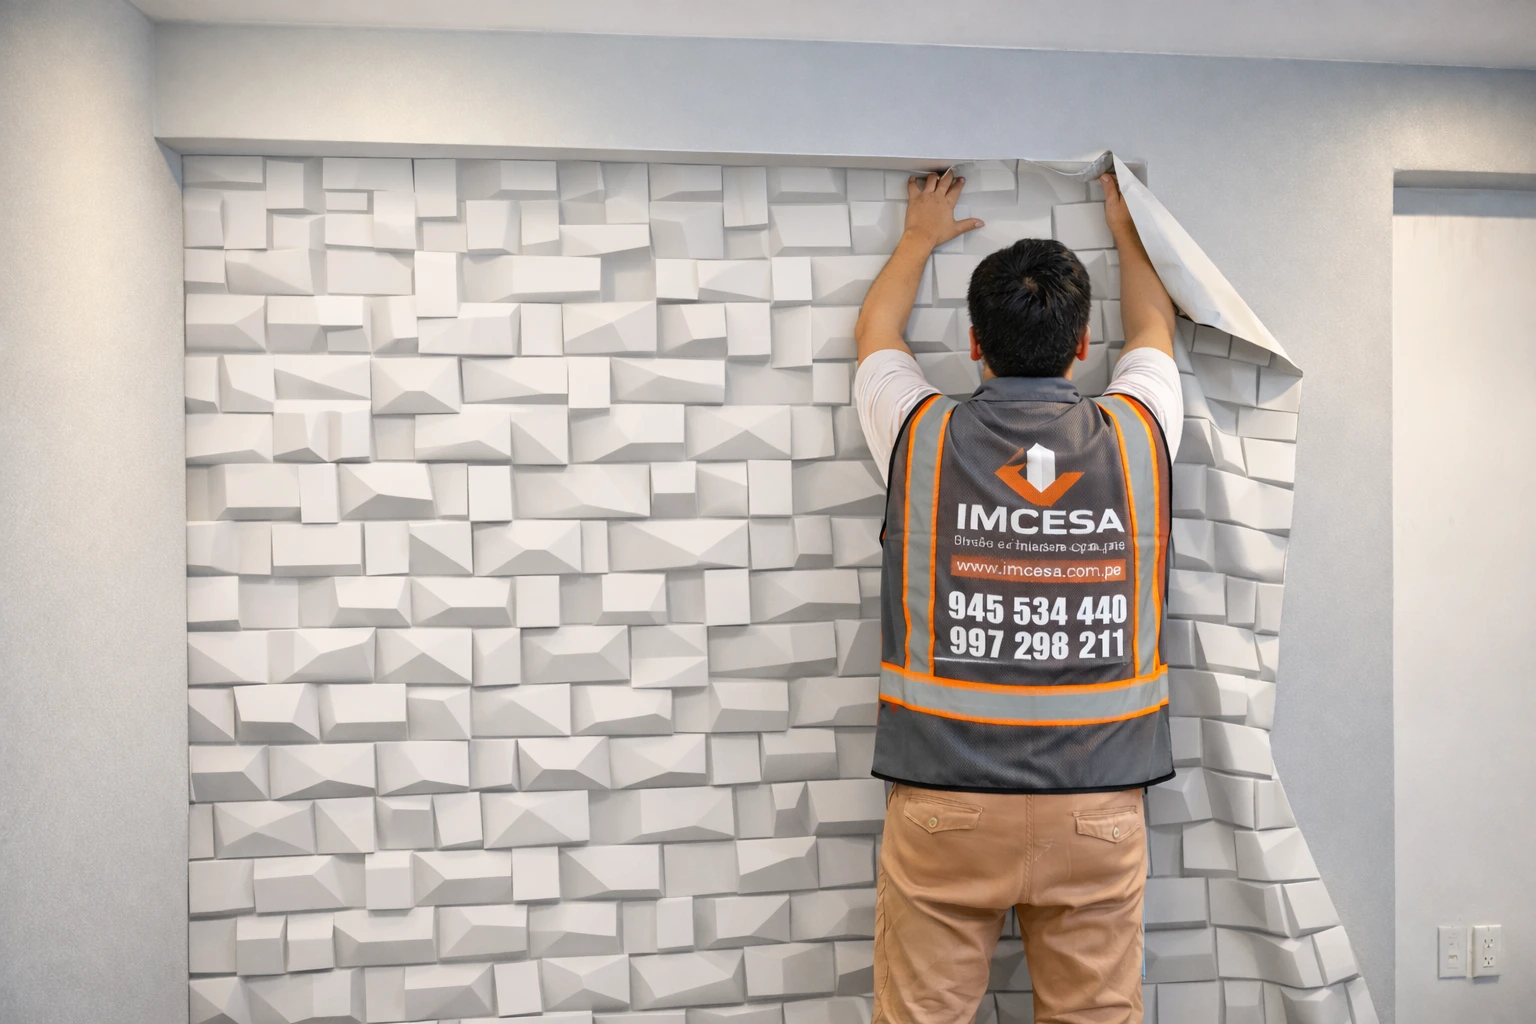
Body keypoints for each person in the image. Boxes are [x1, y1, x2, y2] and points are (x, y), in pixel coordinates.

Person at [854, 168, 1182, 1024]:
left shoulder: (918, 434)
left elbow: (876, 334)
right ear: (1083, 344)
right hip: (1097, 809)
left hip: (946, 803)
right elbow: (1154, 328)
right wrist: (1127, 227)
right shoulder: (1141, 433)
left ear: (974, 343)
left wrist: (918, 235)